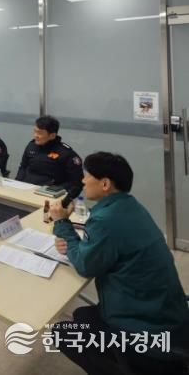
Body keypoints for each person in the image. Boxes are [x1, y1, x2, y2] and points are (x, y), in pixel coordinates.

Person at [50, 152, 189, 374]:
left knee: (62, 333)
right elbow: (103, 247)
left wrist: (62, 223)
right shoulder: (129, 206)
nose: (83, 181)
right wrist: (73, 240)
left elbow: (85, 266)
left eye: (87, 176)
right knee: (82, 315)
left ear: (105, 184)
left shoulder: (105, 220)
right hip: (167, 312)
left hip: (147, 328)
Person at [16, 115, 83, 197]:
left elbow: (76, 183)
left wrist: (54, 191)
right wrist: (18, 183)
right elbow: (23, 166)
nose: (35, 135)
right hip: (25, 189)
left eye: (40, 133)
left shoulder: (66, 154)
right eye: (35, 131)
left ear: (52, 135)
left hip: (49, 194)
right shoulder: (32, 145)